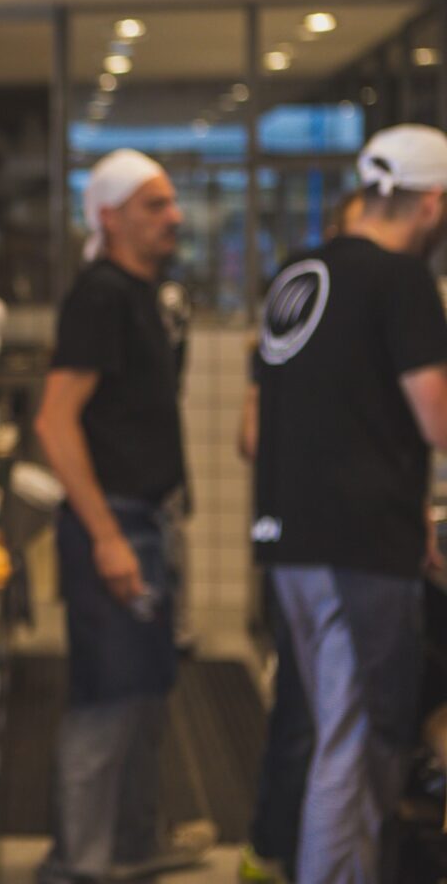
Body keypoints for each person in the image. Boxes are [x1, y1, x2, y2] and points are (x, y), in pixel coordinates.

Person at [250, 124, 447, 884]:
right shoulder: (400, 281)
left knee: (337, 729)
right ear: (431, 203)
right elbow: (435, 417)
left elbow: (303, 411)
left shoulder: (298, 274)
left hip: (290, 538)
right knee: (357, 741)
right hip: (358, 546)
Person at [34, 149, 213, 882]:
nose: (172, 218)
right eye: (153, 205)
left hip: (150, 521)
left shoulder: (147, 292)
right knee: (107, 700)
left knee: (147, 691)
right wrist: (109, 537)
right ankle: (77, 864)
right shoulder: (101, 295)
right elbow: (54, 422)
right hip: (117, 526)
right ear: (108, 216)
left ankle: (135, 845)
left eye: (171, 204)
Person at [237, 192, 361, 884]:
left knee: (302, 709)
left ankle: (267, 850)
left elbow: (250, 437)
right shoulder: (360, 315)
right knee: (327, 721)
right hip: (336, 547)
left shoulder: (290, 313)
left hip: (288, 539)